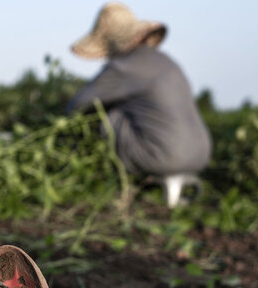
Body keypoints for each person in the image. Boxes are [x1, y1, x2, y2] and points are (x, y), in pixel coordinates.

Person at [66, 3, 211, 207]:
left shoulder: (123, 67)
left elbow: (77, 106)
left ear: (112, 44)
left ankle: (95, 183)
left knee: (105, 114)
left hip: (164, 157)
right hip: (200, 154)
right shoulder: (166, 61)